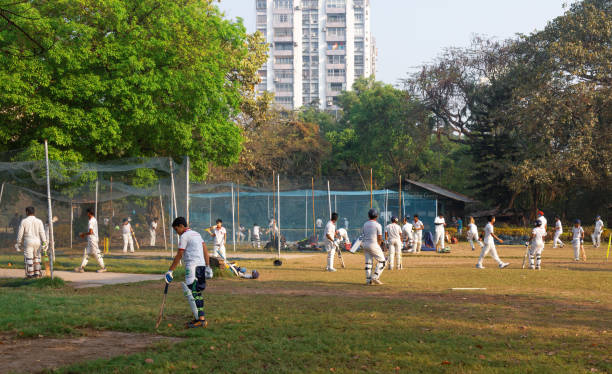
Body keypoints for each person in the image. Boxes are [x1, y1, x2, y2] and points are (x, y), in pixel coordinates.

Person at [164, 217, 212, 329]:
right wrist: (207, 266)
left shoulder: (184, 236)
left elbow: (180, 254)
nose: (177, 232)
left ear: (181, 226)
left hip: (192, 266)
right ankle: (200, 318)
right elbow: (205, 250)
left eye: (176, 229)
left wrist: (170, 270)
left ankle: (201, 320)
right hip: (200, 266)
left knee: (194, 291)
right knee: (197, 292)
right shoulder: (197, 234)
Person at [15, 207, 47, 278]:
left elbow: (20, 233)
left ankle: (30, 275)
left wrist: (18, 242)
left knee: (29, 258)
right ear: (34, 212)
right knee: (37, 258)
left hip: (28, 241)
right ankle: (37, 274)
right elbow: (42, 233)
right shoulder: (39, 221)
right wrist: (45, 242)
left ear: (27, 212)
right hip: (37, 241)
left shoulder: (24, 221)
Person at [75, 209, 106, 273]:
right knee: (87, 253)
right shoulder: (94, 219)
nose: (86, 214)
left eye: (87, 213)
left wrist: (83, 234)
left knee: (96, 254)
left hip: (92, 240)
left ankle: (103, 268)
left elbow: (91, 232)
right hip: (92, 240)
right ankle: (81, 268)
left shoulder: (91, 221)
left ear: (89, 213)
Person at [362, 209, 386, 285]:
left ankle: (368, 281)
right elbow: (379, 238)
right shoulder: (378, 225)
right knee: (382, 261)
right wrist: (379, 246)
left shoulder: (365, 224)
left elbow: (362, 235)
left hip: (365, 244)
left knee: (368, 263)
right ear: (377, 216)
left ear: (369, 216)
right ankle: (375, 277)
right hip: (373, 244)